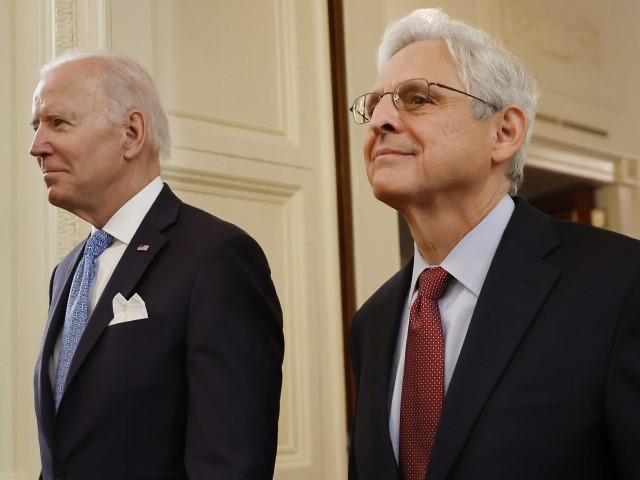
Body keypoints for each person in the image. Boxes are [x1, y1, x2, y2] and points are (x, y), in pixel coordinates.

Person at [348, 8, 640, 480]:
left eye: (416, 99)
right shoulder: (372, 322)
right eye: (374, 104)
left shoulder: (621, 284)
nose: (379, 120)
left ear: (504, 133)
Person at [30, 51, 284, 480]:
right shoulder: (67, 272)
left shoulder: (216, 258)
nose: (37, 146)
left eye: (58, 123)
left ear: (131, 133)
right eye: (35, 126)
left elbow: (230, 464)